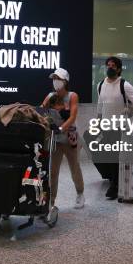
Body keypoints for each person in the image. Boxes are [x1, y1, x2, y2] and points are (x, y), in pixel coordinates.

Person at [96, 56, 133, 200]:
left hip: (120, 126)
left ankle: (115, 186)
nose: (110, 68)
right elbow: (100, 105)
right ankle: (113, 181)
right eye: (108, 65)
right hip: (106, 125)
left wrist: (130, 108)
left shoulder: (124, 85)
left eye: (113, 65)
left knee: (115, 156)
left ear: (118, 69)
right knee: (108, 155)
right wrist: (98, 122)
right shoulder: (100, 84)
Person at [41, 67, 85, 209]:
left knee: (75, 168)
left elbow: (72, 117)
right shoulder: (49, 96)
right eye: (54, 78)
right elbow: (41, 112)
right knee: (53, 172)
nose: (55, 81)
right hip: (55, 140)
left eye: (58, 79)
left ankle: (80, 193)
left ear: (65, 81)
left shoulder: (72, 96)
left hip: (70, 139)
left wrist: (61, 128)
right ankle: (51, 201)